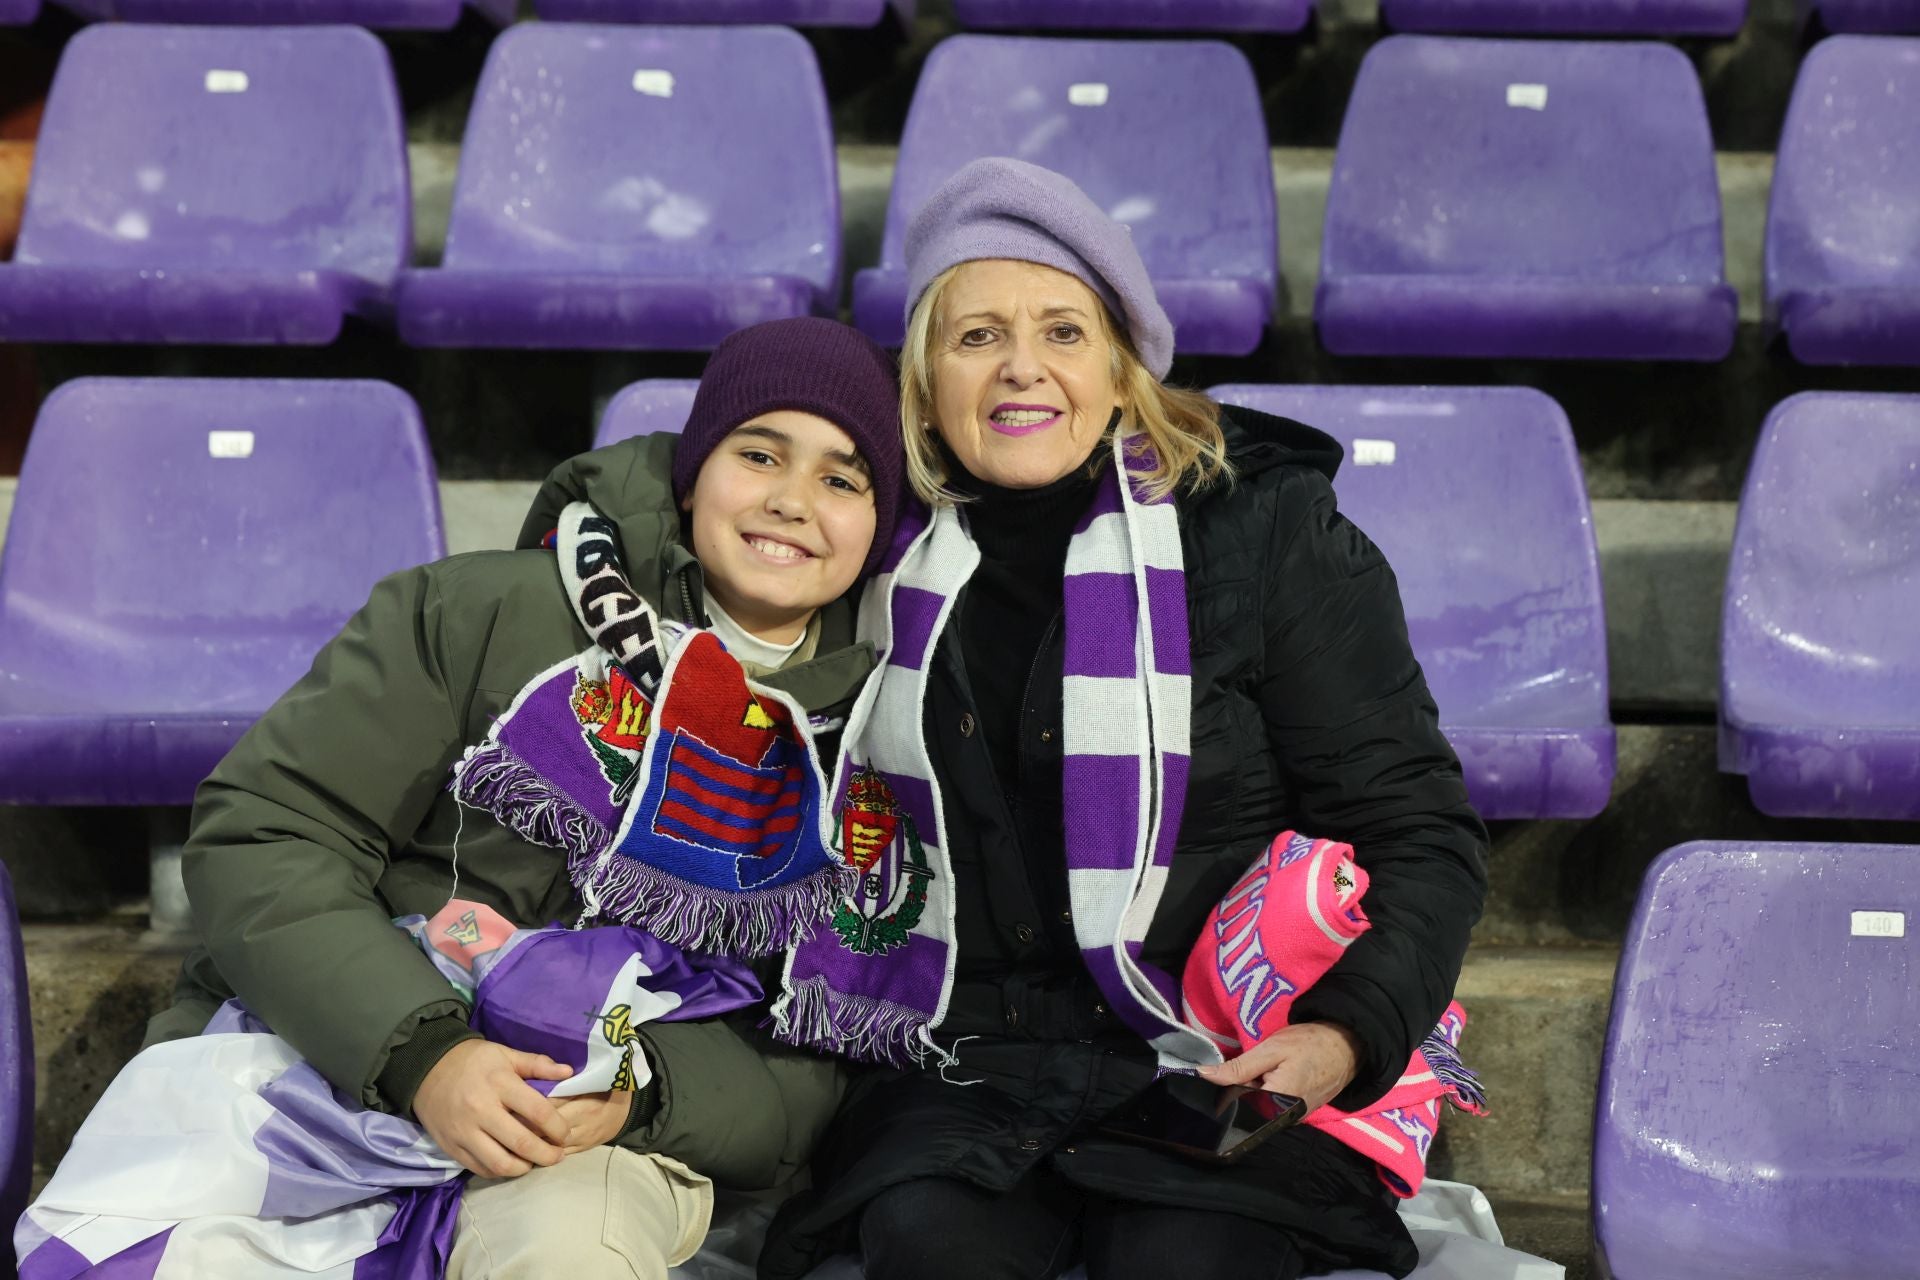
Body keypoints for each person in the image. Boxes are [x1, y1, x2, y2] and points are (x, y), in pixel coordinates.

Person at [760, 158, 1490, 1280]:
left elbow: (1420, 831)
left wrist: (1339, 1034)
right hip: (965, 1064)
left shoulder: (1264, 527)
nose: (1021, 368)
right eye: (976, 336)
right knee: (931, 1247)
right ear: (921, 379)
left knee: (1184, 1254)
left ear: (1120, 361)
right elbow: (692, 489)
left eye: (1062, 330)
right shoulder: (868, 535)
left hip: (1218, 1055)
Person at [139, 316, 906, 1279]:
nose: (794, 502)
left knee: (562, 1254)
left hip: (594, 1147)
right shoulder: (483, 611)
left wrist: (645, 1094)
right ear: (696, 468)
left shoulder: (875, 741)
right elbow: (269, 832)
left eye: (843, 479)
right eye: (760, 454)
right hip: (332, 1059)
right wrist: (425, 1056)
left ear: (882, 526)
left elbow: (820, 1042)